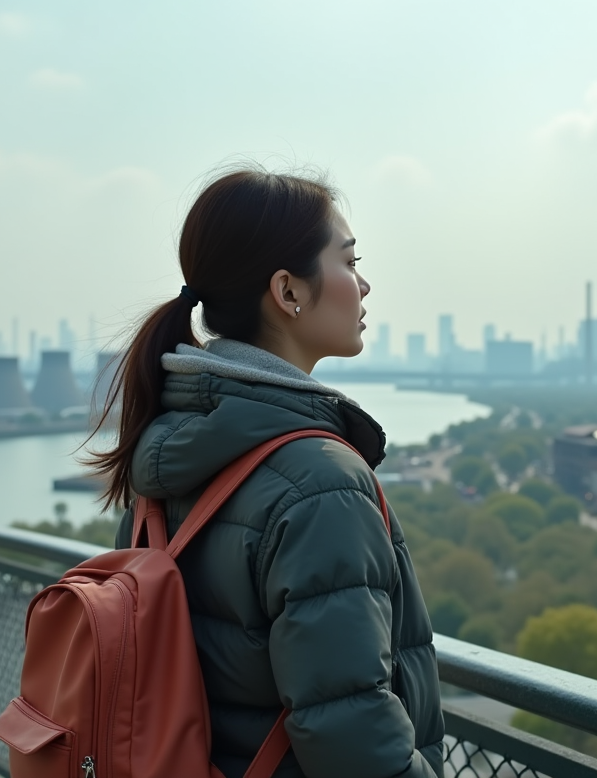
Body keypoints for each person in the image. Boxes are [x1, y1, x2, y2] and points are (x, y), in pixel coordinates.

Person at [86, 167, 444, 778]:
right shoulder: (320, 482)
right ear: (288, 291)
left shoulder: (170, 448)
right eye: (349, 261)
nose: (364, 285)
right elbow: (352, 732)